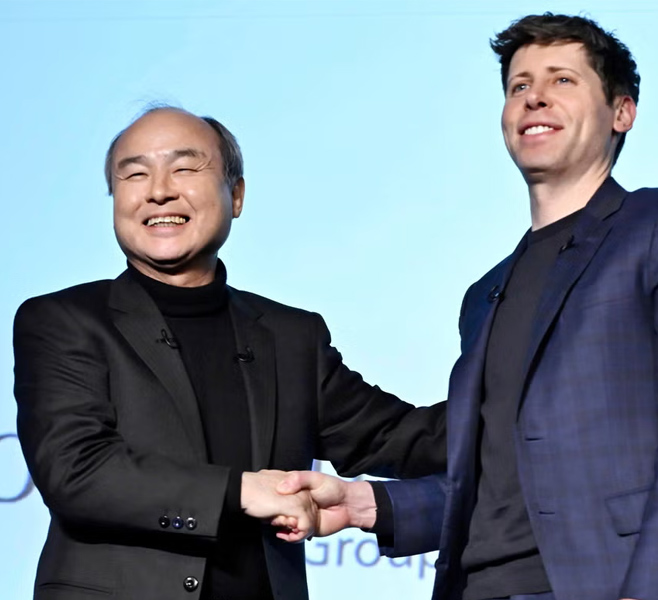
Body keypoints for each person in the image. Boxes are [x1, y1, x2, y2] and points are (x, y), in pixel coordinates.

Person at [280, 12, 658, 600]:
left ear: (622, 112)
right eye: (519, 85)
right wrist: (366, 503)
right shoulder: (485, 293)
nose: (534, 98)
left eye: (562, 80)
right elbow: (500, 479)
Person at [13, 106, 446, 600]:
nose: (159, 191)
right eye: (134, 174)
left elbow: (404, 437)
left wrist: (513, 403)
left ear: (236, 195)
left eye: (184, 168)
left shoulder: (291, 336)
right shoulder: (64, 320)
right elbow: (77, 471)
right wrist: (241, 491)